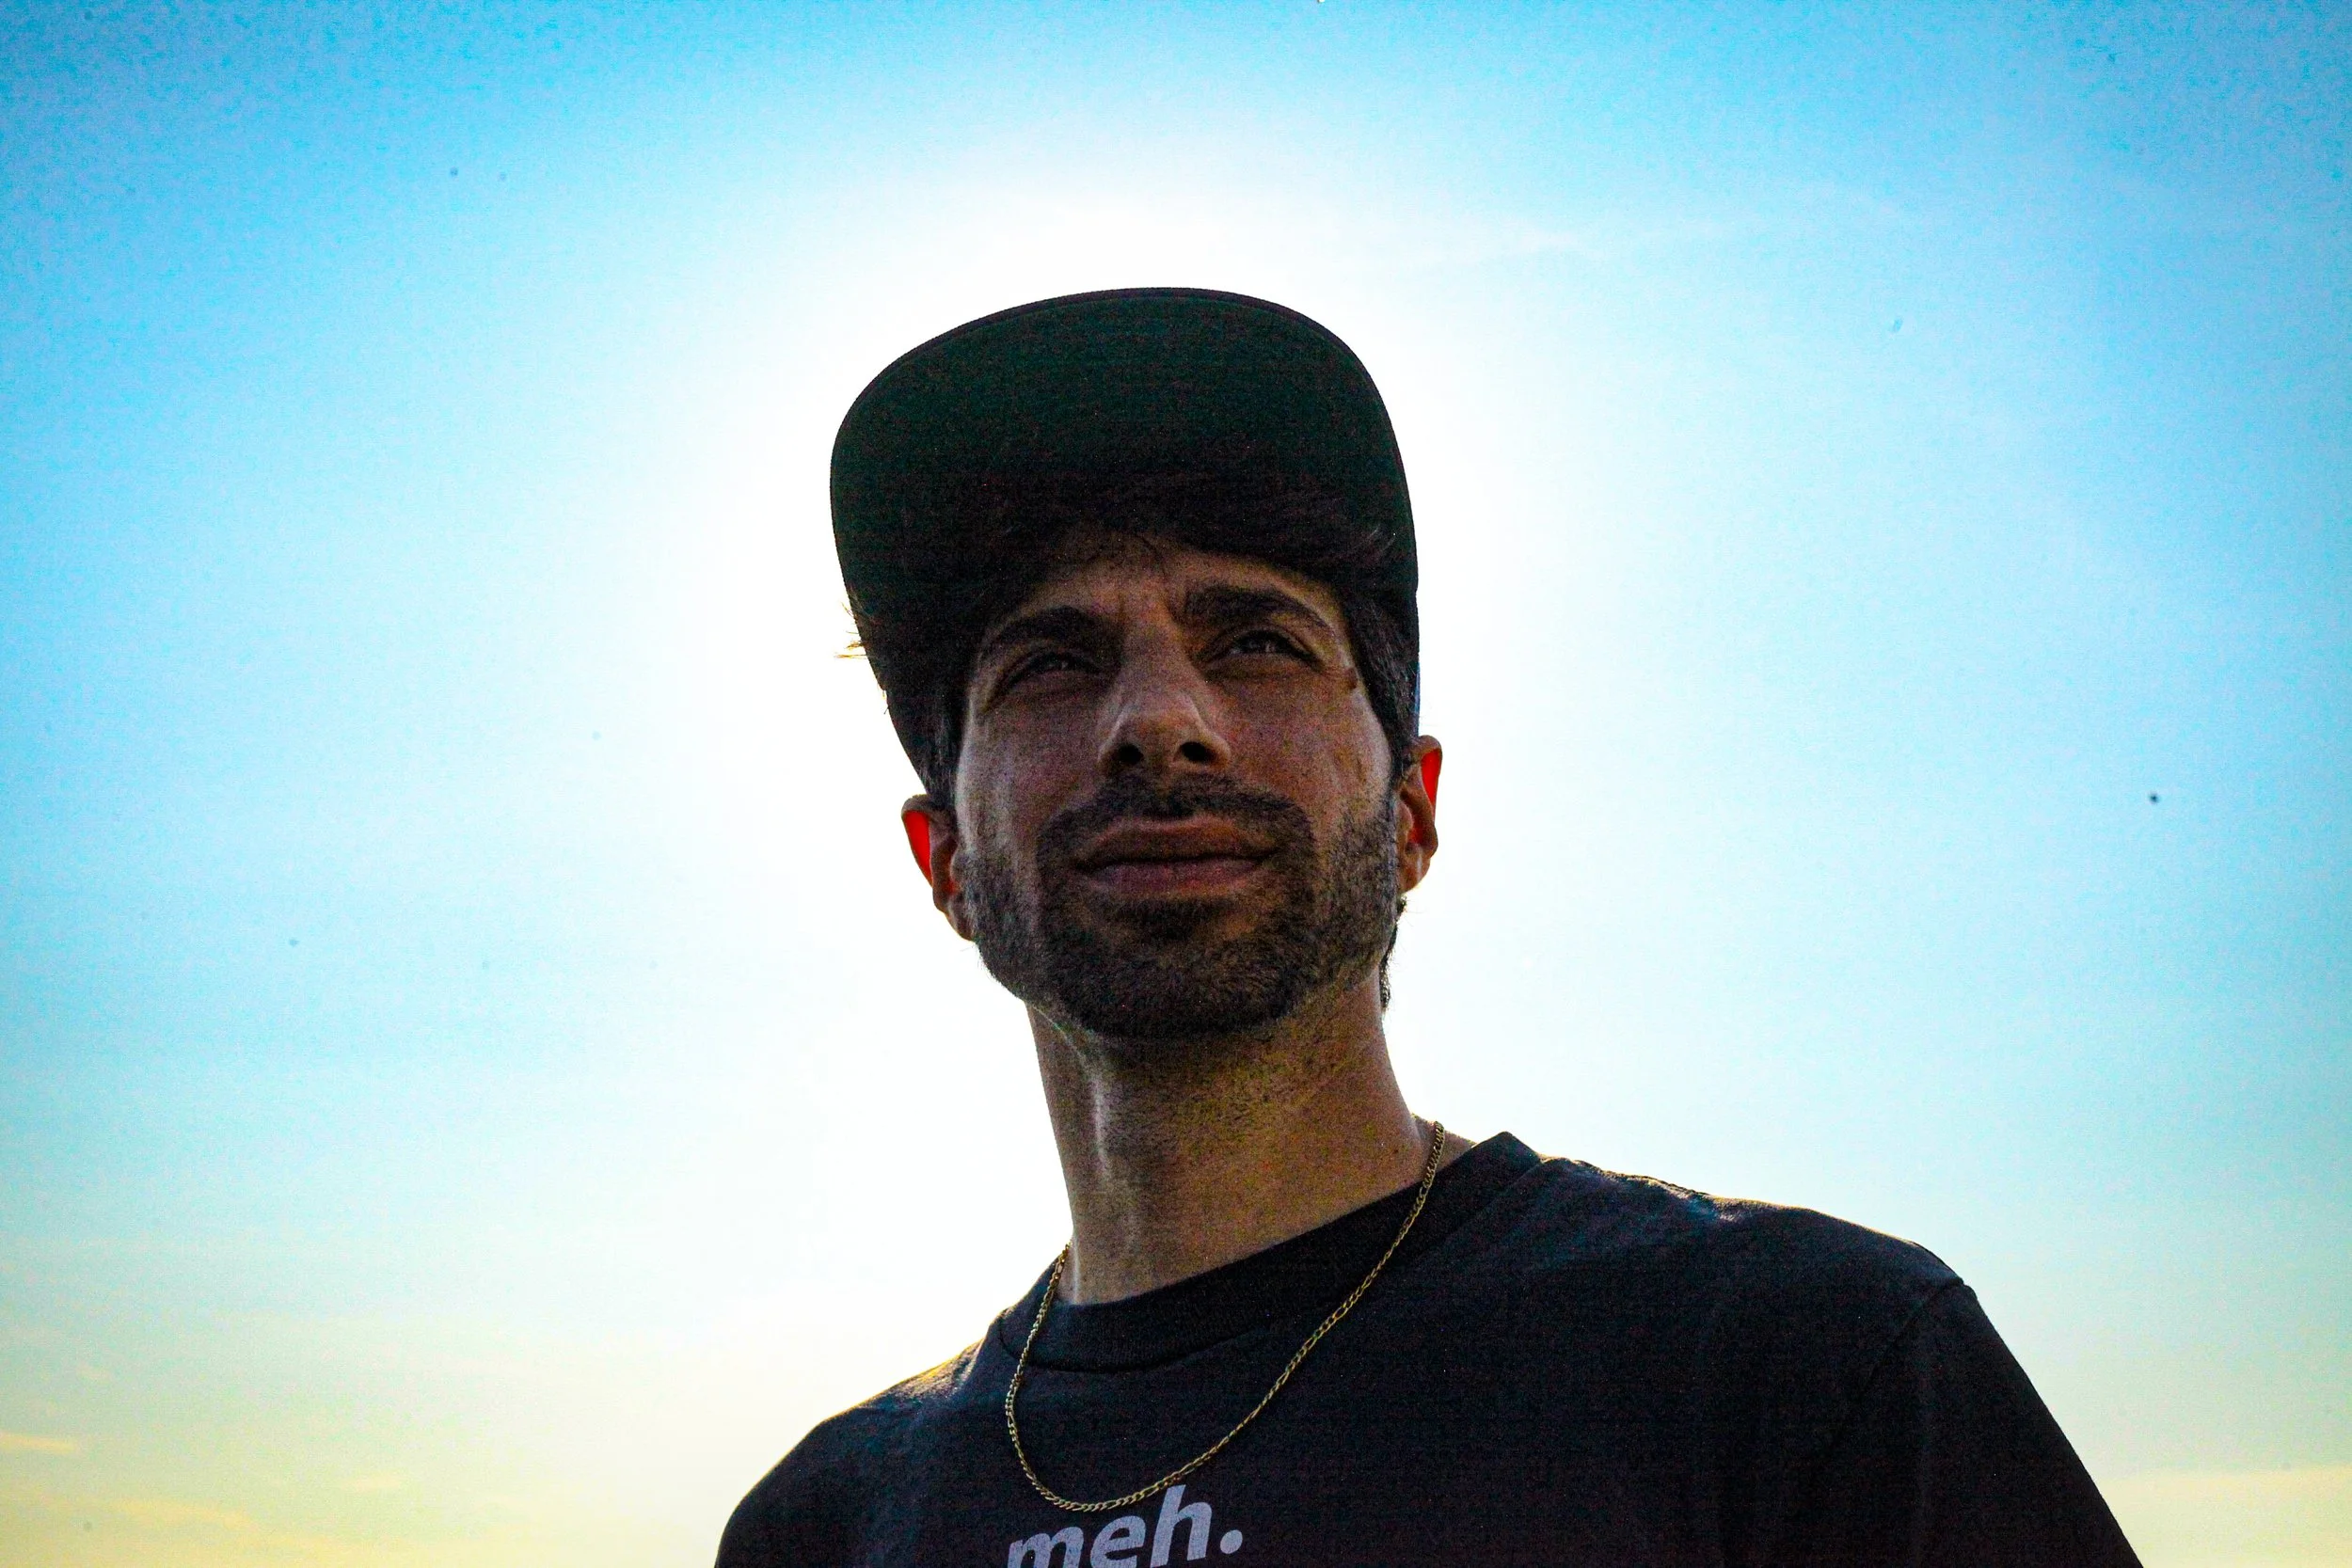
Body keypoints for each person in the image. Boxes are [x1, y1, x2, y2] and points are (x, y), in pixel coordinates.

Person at [717, 289, 2139, 1567]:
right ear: (946, 858)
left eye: (1259, 643)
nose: (1159, 722)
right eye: (1050, 662)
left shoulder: (1802, 1375)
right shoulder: (831, 1526)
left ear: (1411, 812)